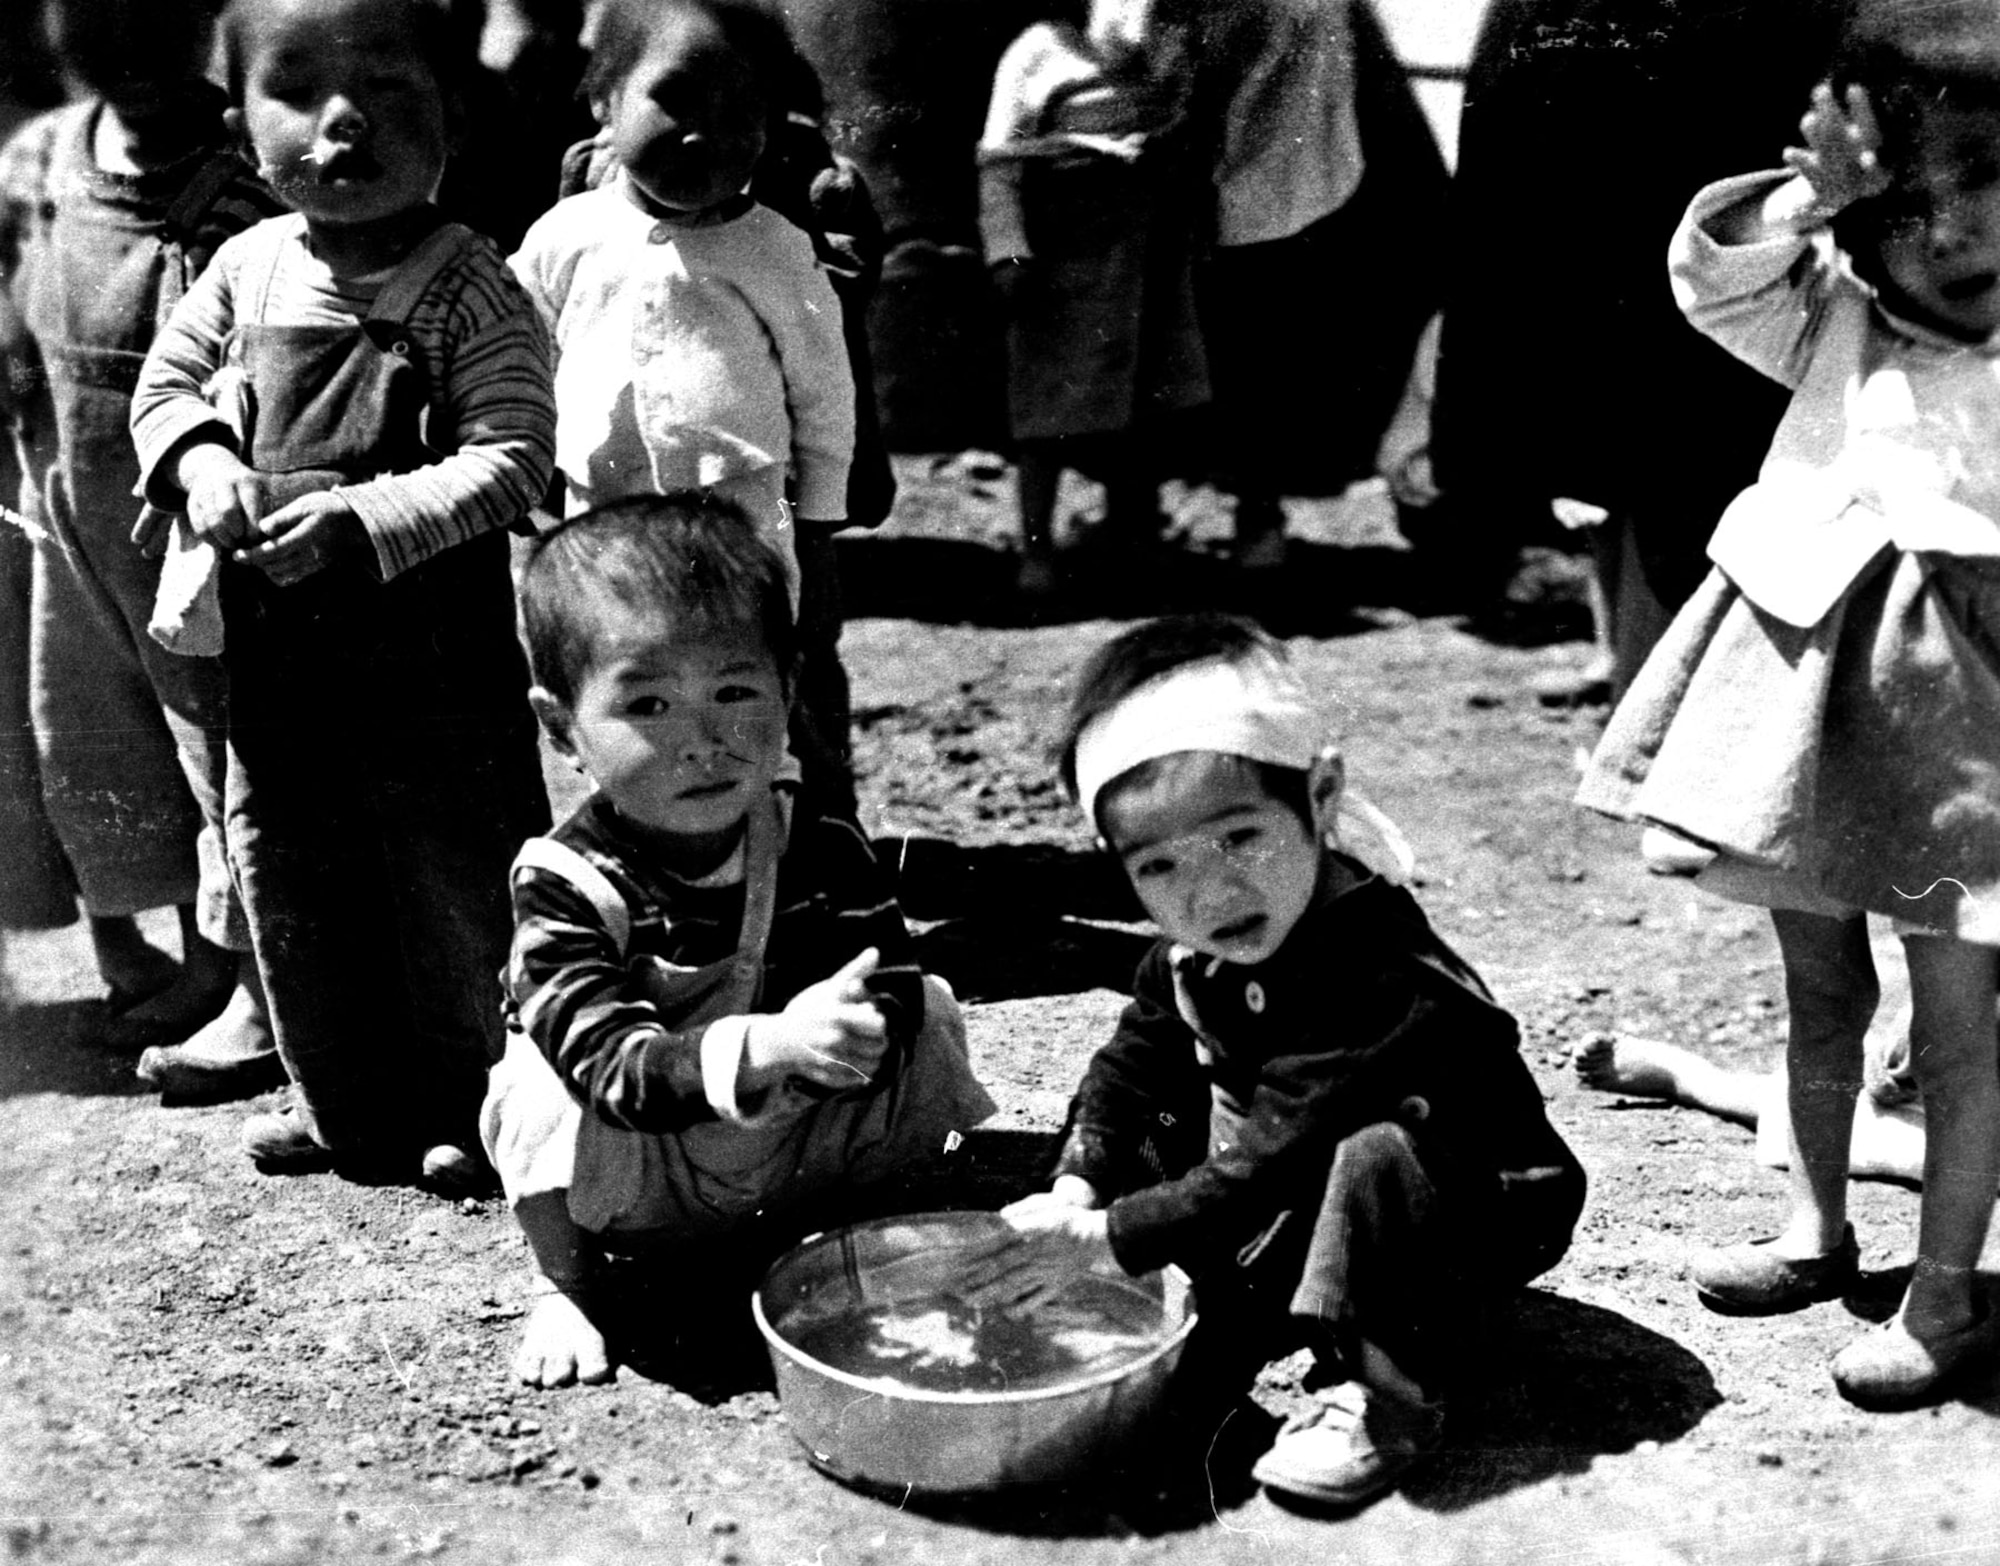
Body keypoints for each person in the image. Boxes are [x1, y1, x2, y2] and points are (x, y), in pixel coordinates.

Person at [1578, 0, 2000, 1408]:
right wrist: (1811, 196)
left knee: (1956, 1027)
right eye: (1926, 211)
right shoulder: (1822, 301)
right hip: (1805, 684)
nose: (1963, 248)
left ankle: (1945, 1293)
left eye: (1998, 200)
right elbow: (1716, 279)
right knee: (1820, 985)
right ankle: (1816, 1224)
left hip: (1963, 727)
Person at [965, 615, 1584, 1507]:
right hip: (1294, 1169)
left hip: (1478, 1205)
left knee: (1370, 1152)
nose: (1210, 891)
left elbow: (1275, 1156)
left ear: (1320, 795)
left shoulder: (1383, 980)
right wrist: (1080, 1185)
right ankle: (1261, 1288)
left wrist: (1113, 1239)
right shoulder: (1195, 955)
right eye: (1161, 865)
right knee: (1178, 1071)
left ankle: (1390, 1392)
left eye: (1241, 838)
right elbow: (1128, 1071)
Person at [128, 0, 556, 1187]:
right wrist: (205, 459)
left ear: (453, 119)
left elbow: (514, 453)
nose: (344, 121)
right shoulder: (243, 268)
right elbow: (163, 391)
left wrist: (367, 518)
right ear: (238, 125)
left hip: (431, 671)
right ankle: (346, 1101)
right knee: (296, 872)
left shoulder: (466, 283)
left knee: (453, 878)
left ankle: (481, 1106)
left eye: (390, 93)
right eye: (297, 91)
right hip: (281, 666)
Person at [481, 495, 995, 1389]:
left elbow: (894, 978)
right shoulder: (566, 883)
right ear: (563, 727)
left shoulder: (814, 838)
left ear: (789, 693)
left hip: (791, 1138)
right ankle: (567, 1285)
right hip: (648, 1169)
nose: (704, 739)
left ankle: (875, 1228)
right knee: (535, 1083)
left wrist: (850, 1029)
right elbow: (604, 1067)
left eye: (734, 690)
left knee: (937, 1014)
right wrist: (763, 1046)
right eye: (647, 702)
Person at [0, 0, 285, 1077]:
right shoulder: (44, 159)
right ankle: (150, 960)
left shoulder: (245, 165)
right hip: (64, 509)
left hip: (186, 530)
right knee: (83, 732)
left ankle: (257, 989)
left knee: (216, 752)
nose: (132, 38)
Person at [512, 0, 858, 802]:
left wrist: (822, 511)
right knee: (622, 662)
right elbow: (519, 351)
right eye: (674, 99)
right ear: (604, 102)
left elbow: (823, 386)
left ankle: (801, 832)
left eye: (741, 112)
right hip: (603, 512)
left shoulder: (773, 247)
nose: (704, 132)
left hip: (744, 512)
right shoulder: (567, 236)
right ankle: (642, 819)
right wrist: (523, 465)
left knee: (757, 664)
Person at [976, 0, 1208, 596]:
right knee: (1047, 407)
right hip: (1061, 252)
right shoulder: (1038, 50)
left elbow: (1184, 120)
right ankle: (1037, 551)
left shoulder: (1167, 43)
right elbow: (999, 161)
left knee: (1142, 398)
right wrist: (1009, 250)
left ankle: (1135, 535)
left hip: (1146, 247)